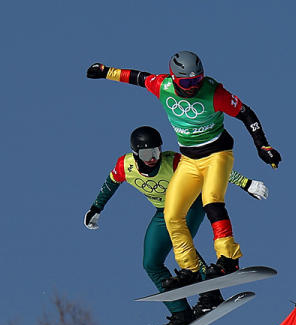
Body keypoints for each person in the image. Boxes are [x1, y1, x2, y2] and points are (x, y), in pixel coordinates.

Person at [86, 51, 281, 291]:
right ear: (175, 79)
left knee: (212, 201)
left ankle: (229, 259)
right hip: (189, 159)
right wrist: (106, 72)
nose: (193, 87)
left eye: (197, 81)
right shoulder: (163, 86)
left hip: (217, 154)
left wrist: (262, 145)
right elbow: (137, 77)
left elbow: (246, 113)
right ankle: (189, 269)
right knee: (172, 214)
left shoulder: (214, 93)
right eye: (187, 83)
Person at [83, 126, 269, 325]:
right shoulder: (124, 166)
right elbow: (110, 184)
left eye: (155, 152)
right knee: (151, 263)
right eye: (146, 154)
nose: (152, 158)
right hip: (163, 212)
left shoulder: (173, 161)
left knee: (180, 240)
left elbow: (211, 169)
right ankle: (181, 314)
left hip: (190, 205)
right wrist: (96, 208)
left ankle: (210, 293)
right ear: (135, 154)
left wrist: (246, 184)